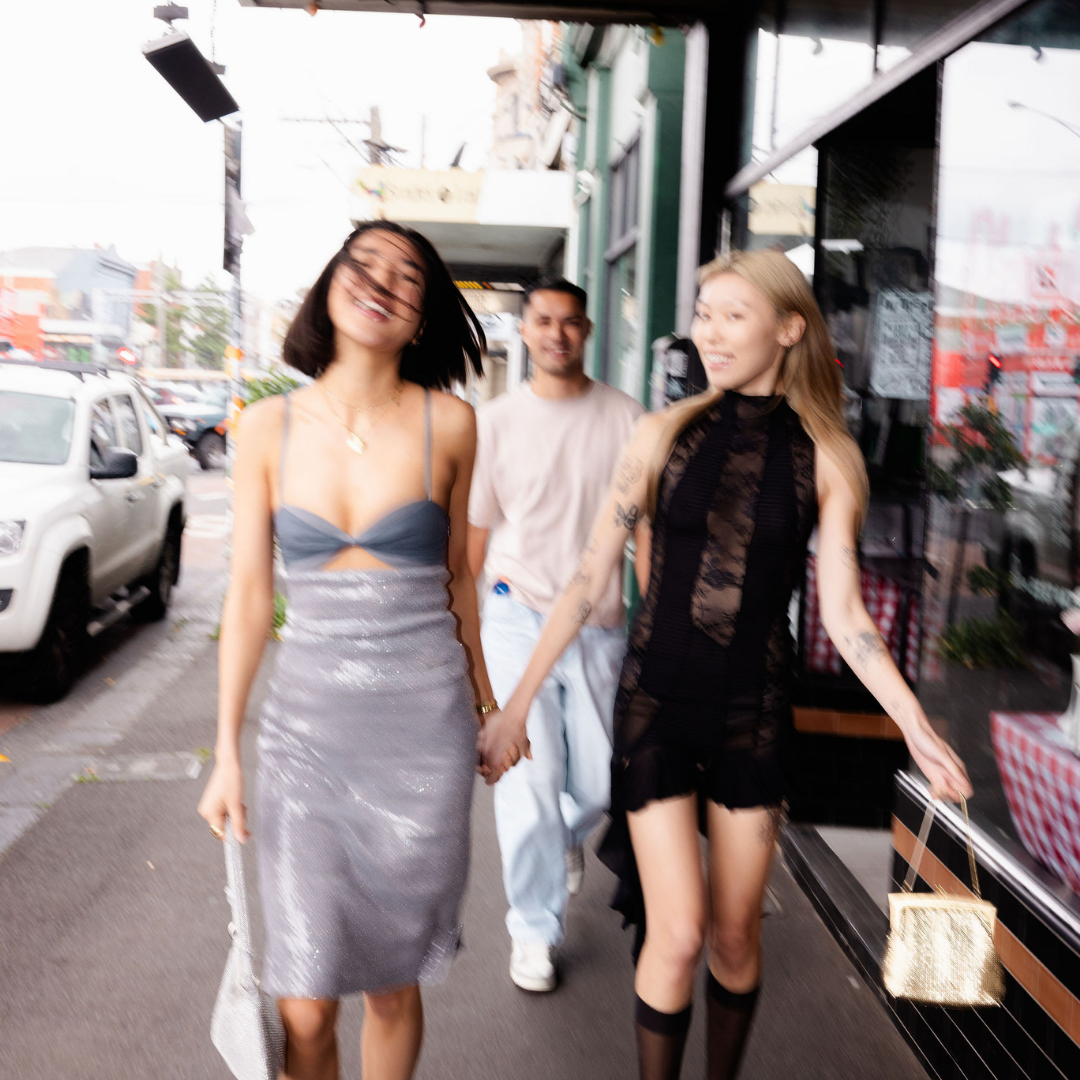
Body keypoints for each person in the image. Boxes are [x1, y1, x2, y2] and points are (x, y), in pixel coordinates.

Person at [481, 250, 972, 1079]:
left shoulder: (827, 455)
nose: (709, 331)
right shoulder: (659, 432)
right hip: (657, 698)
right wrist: (516, 702)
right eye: (703, 313)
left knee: (736, 936)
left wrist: (914, 725)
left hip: (754, 707)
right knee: (676, 932)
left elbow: (846, 614)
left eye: (732, 315)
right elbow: (588, 578)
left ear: (789, 329)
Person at [198, 222, 498, 1080]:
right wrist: (225, 753)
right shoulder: (264, 427)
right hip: (306, 733)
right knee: (303, 995)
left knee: (395, 986)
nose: (381, 282)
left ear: (423, 316)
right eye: (363, 264)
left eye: (406, 276)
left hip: (422, 731)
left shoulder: (453, 425)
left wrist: (486, 707)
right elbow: (251, 596)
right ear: (330, 287)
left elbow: (459, 585)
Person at [466, 277, 645, 992]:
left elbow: (647, 532)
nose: (557, 334)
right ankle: (533, 931)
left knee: (602, 782)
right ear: (527, 330)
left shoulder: (628, 418)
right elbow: (476, 539)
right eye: (544, 321)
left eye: (571, 322)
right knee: (531, 782)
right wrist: (468, 644)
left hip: (600, 623)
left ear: (589, 331)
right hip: (515, 615)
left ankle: (562, 840)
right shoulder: (497, 422)